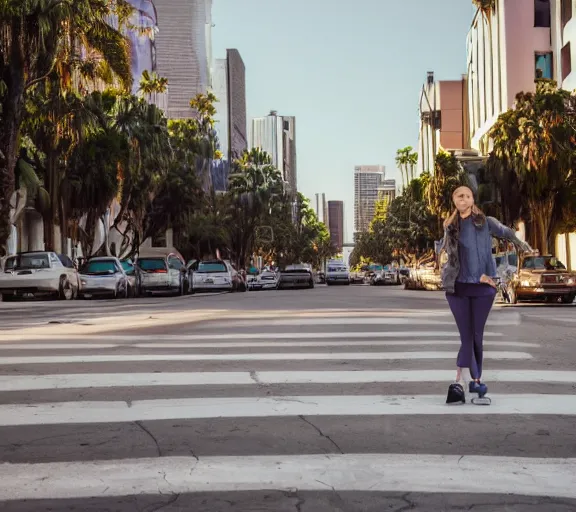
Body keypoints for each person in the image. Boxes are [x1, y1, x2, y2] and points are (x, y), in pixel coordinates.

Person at [438, 185, 532, 405]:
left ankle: (475, 379)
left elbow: (506, 232)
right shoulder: (450, 226)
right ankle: (461, 382)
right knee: (467, 336)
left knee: (476, 336)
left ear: (472, 200)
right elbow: (448, 255)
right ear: (454, 201)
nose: (463, 199)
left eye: (467, 195)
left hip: (482, 289)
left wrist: (521, 243)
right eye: (459, 196)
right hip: (458, 288)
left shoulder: (485, 222)